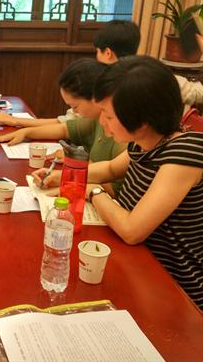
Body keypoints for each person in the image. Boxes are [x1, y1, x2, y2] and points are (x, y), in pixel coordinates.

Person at [33, 56, 203, 309]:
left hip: (174, 288)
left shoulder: (184, 154)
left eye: (109, 116)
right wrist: (66, 175)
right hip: (134, 263)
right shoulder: (144, 142)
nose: (102, 122)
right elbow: (111, 168)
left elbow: (132, 230)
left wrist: (93, 192)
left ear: (142, 121)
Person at [0, 58, 126, 194]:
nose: (74, 112)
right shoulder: (96, 119)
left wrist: (76, 164)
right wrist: (26, 132)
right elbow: (64, 128)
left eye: (75, 106)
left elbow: (114, 189)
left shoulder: (123, 134)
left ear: (96, 98)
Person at [0, 20, 140, 127]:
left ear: (107, 53)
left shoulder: (107, 86)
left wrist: (17, 122)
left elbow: (67, 124)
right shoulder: (136, 79)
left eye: (97, 51)